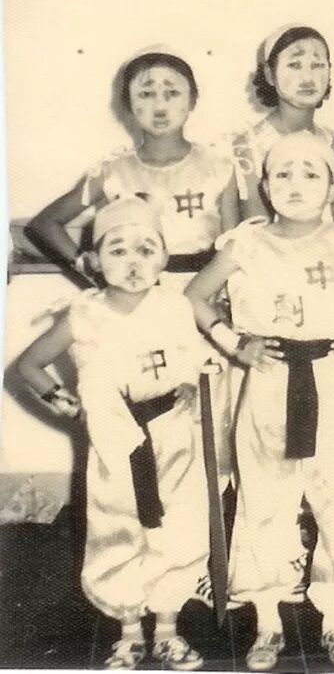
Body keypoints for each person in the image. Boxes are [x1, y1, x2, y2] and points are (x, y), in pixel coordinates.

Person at [184, 133, 334, 671]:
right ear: (266, 187)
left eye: (311, 173)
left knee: (332, 492)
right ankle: (267, 618)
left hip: (330, 375)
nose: (297, 184)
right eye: (283, 174)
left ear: (332, 185)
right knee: (264, 493)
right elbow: (196, 296)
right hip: (269, 378)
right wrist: (234, 343)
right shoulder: (247, 243)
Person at [27, 46, 240, 485]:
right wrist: (89, 267)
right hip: (137, 304)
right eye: (146, 93)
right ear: (127, 104)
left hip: (202, 303)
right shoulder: (114, 172)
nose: (160, 105)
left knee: (210, 423)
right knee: (144, 422)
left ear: (193, 100)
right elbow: (46, 224)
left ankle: (210, 520)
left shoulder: (218, 168)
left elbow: (237, 247)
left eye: (171, 92)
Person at [16, 197, 209, 671]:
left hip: (172, 437)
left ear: (164, 258)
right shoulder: (83, 314)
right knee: (117, 528)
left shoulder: (175, 306)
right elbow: (28, 366)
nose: (133, 262)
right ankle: (129, 631)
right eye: (117, 250)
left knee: (178, 527)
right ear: (94, 261)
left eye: (146, 249)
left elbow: (190, 356)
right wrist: (73, 410)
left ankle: (168, 630)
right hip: (115, 443)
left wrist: (188, 384)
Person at [231, 24, 334, 219]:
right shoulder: (250, 148)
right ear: (270, 74)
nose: (308, 77)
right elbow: (256, 229)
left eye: (317, 65)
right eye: (294, 65)